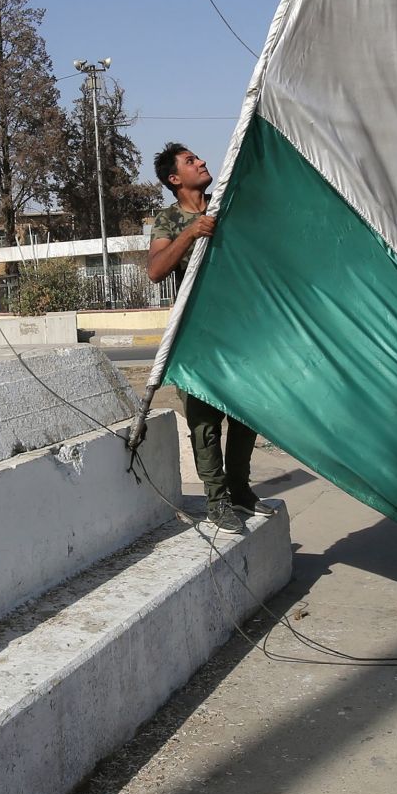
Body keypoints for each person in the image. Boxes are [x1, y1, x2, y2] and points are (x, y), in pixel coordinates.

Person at [147, 142, 264, 533]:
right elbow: (156, 270)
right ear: (175, 179)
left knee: (248, 411)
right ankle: (217, 501)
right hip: (198, 333)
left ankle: (240, 487)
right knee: (205, 421)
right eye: (191, 161)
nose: (202, 162)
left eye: (199, 157)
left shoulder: (225, 203)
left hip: (240, 329)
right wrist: (191, 234)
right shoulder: (167, 220)